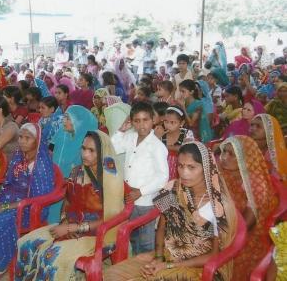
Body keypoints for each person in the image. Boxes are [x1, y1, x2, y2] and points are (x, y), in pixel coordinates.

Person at [104, 142, 237, 281]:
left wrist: (169, 266)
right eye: (180, 166)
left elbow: (215, 255)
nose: (184, 173)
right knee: (112, 275)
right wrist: (158, 258)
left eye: (191, 167)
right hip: (168, 255)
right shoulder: (173, 189)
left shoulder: (219, 206)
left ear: (206, 168)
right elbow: (162, 228)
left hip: (197, 267)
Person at [16, 130, 125, 280]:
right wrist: (65, 221)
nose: (85, 154)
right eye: (83, 148)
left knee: (51, 258)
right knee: (26, 243)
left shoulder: (110, 178)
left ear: (102, 152)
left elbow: (112, 218)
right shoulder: (77, 171)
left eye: (91, 150)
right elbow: (68, 200)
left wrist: (74, 228)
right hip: (72, 224)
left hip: (99, 233)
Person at [0, 123, 55, 280]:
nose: (22, 141)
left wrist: (3, 208)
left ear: (38, 141)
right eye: (20, 137)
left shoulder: (41, 166)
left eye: (28, 138)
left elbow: (36, 199)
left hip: (28, 208)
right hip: (8, 199)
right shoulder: (18, 157)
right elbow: (7, 184)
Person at [111, 101, 169, 255]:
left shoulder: (157, 146)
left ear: (153, 120)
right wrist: (121, 130)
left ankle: (146, 266)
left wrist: (141, 191)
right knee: (133, 235)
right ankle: (135, 264)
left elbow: (162, 176)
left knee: (146, 239)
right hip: (129, 198)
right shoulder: (130, 138)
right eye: (137, 121)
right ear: (131, 122)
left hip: (146, 201)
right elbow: (113, 147)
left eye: (145, 120)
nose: (141, 125)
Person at [219, 135, 278, 280]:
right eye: (224, 152)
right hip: (225, 226)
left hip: (247, 237)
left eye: (231, 154)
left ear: (244, 157)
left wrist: (222, 236)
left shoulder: (255, 184)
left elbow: (246, 225)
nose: (224, 157)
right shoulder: (226, 174)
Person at [250, 114, 287, 182]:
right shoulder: (248, 149)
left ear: (269, 130)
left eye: (258, 126)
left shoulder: (276, 156)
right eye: (252, 125)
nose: (253, 128)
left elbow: (277, 183)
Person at [162, 106, 194, 180]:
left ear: (181, 123)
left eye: (172, 122)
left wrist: (165, 146)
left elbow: (186, 149)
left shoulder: (187, 133)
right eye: (166, 121)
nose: (168, 125)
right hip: (163, 169)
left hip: (181, 168)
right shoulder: (161, 134)